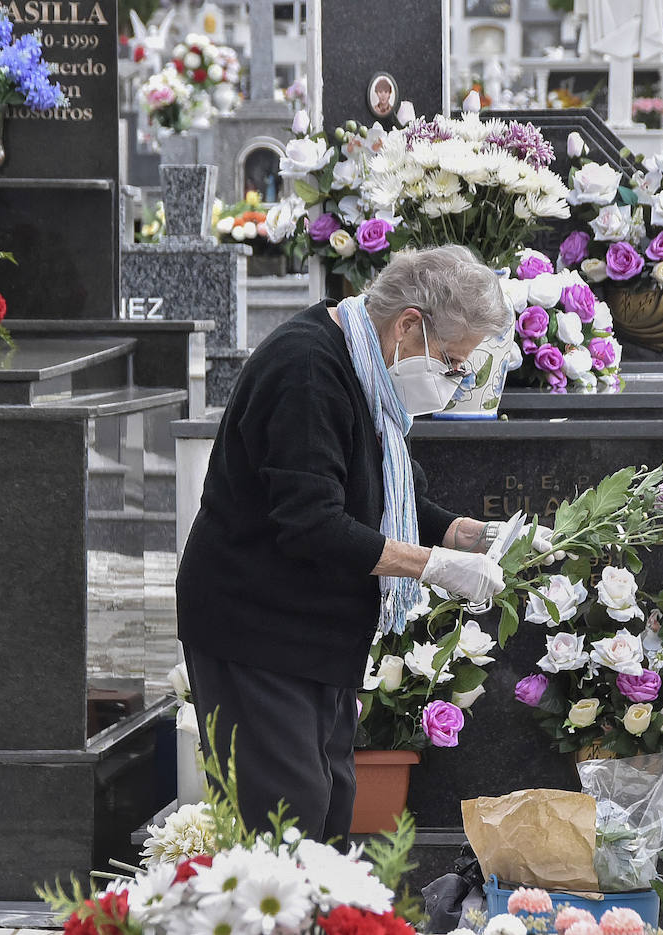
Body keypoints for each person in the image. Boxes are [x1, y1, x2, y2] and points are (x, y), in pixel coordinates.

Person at [177, 246, 546, 842]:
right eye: (452, 363)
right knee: (284, 824)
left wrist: (477, 537)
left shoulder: (364, 364)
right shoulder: (308, 368)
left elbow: (393, 500)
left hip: (315, 639)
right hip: (257, 632)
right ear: (409, 325)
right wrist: (433, 566)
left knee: (327, 813)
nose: (452, 382)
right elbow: (313, 523)